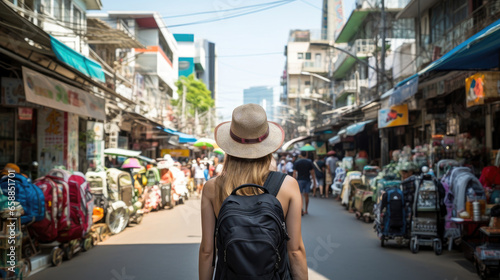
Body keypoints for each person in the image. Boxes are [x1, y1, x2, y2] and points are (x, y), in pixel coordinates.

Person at [199, 104, 307, 280]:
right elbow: (295, 251)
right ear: (267, 147)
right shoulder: (288, 185)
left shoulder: (212, 187)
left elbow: (207, 251)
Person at [294, 151, 317, 215]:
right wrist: (314, 182)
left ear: (301, 155)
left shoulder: (297, 162)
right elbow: (312, 173)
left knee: (300, 195)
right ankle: (306, 209)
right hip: (307, 180)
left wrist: (293, 182)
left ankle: (301, 208)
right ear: (306, 154)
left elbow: (294, 173)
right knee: (306, 195)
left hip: (299, 180)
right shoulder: (309, 162)